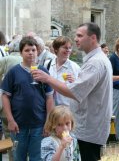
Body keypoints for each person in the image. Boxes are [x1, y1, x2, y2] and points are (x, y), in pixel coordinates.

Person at [31, 22, 113, 161]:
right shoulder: (96, 59)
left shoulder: (95, 62)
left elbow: (75, 92)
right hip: (90, 127)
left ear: (93, 38)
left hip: (89, 130)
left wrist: (48, 79)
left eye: (80, 35)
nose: (75, 39)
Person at [0, 36, 54, 161]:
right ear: (21, 53)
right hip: (18, 125)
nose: (31, 53)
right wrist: (10, 120)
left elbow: (49, 98)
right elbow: (5, 96)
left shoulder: (43, 71)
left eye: (33, 50)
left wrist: (48, 122)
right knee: (19, 157)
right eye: (27, 50)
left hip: (39, 125)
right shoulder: (13, 72)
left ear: (37, 52)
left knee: (37, 158)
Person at [44, 36, 80, 106]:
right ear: (56, 49)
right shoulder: (48, 64)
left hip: (67, 109)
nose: (68, 50)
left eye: (70, 48)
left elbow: (80, 91)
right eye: (65, 47)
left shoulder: (74, 67)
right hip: (51, 106)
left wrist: (74, 82)